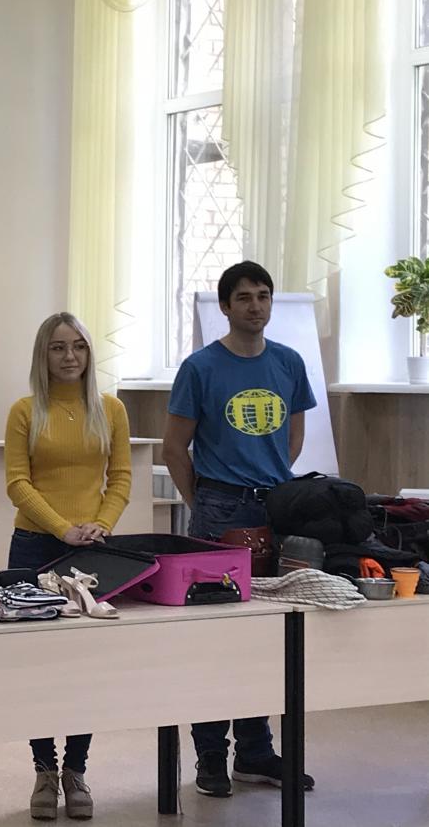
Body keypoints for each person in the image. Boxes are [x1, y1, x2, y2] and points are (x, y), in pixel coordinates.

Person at [162, 260, 317, 798]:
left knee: (264, 638)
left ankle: (255, 752)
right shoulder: (200, 368)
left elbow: (293, 438)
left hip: (275, 509)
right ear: (226, 307)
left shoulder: (289, 362)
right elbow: (174, 449)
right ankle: (210, 756)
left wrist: (267, 485)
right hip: (218, 510)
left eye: (264, 295)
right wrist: (204, 504)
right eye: (245, 297)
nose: (256, 305)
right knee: (215, 638)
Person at [3, 312, 132, 821]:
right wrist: (62, 528)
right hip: (35, 546)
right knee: (36, 667)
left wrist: (100, 525)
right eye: (58, 347)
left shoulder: (111, 409)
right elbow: (18, 484)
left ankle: (76, 769)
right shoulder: (24, 411)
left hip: (92, 551)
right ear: (43, 355)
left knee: (84, 665)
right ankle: (43, 769)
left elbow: (120, 477)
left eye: (78, 346)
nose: (69, 356)